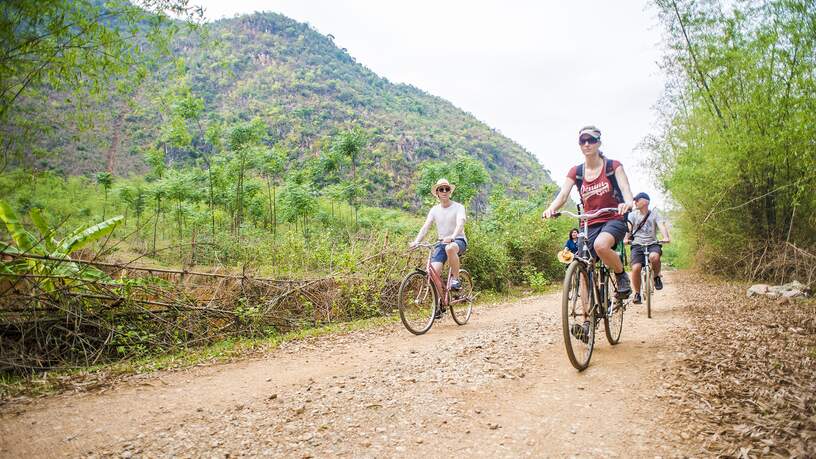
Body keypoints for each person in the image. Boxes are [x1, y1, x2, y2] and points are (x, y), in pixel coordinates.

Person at [542, 125, 635, 339]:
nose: (587, 144)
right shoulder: (577, 172)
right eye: (583, 140)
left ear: (599, 143)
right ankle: (587, 323)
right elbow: (563, 195)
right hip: (589, 224)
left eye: (591, 140)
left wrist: (627, 203)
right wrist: (551, 209)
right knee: (583, 270)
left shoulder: (613, 166)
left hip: (613, 218)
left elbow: (627, 190)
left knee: (601, 246)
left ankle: (621, 276)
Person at [410, 178, 468, 298]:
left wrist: (452, 236)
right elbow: (426, 226)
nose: (444, 191)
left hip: (458, 240)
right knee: (433, 273)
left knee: (450, 248)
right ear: (437, 193)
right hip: (441, 242)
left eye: (447, 189)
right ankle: (441, 304)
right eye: (441, 189)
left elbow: (460, 223)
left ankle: (455, 279)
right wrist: (416, 241)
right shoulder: (434, 210)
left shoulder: (458, 207)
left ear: (450, 191)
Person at [624, 192, 671, 304]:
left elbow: (661, 225)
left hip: (652, 243)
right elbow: (629, 227)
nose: (635, 202)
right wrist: (626, 238)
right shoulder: (633, 215)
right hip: (637, 245)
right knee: (636, 268)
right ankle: (637, 293)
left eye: (637, 200)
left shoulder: (655, 214)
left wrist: (665, 237)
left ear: (645, 202)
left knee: (654, 257)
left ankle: (656, 276)